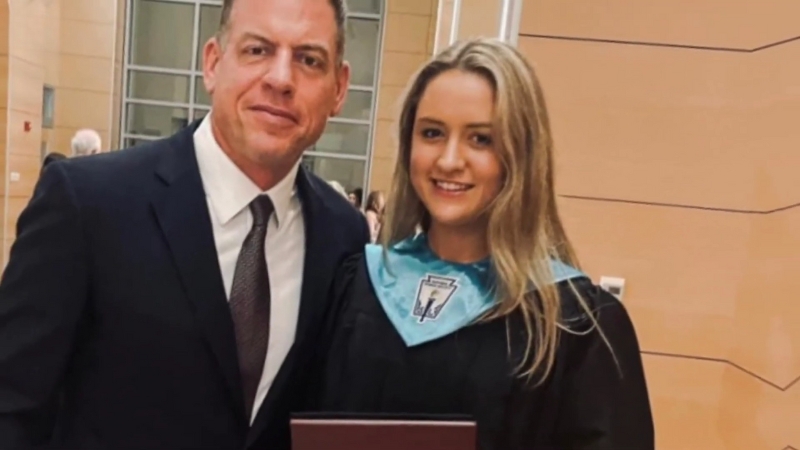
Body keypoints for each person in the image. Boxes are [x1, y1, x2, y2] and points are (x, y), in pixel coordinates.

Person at [0, 0, 367, 449]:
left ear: (339, 88)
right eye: (258, 50)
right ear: (212, 63)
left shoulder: (343, 235)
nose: (281, 79)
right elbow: (11, 403)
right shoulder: (88, 204)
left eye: (309, 60)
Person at [306, 38, 655, 449]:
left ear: (521, 154)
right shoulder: (358, 286)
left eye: (481, 139)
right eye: (432, 133)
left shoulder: (575, 327)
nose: (450, 160)